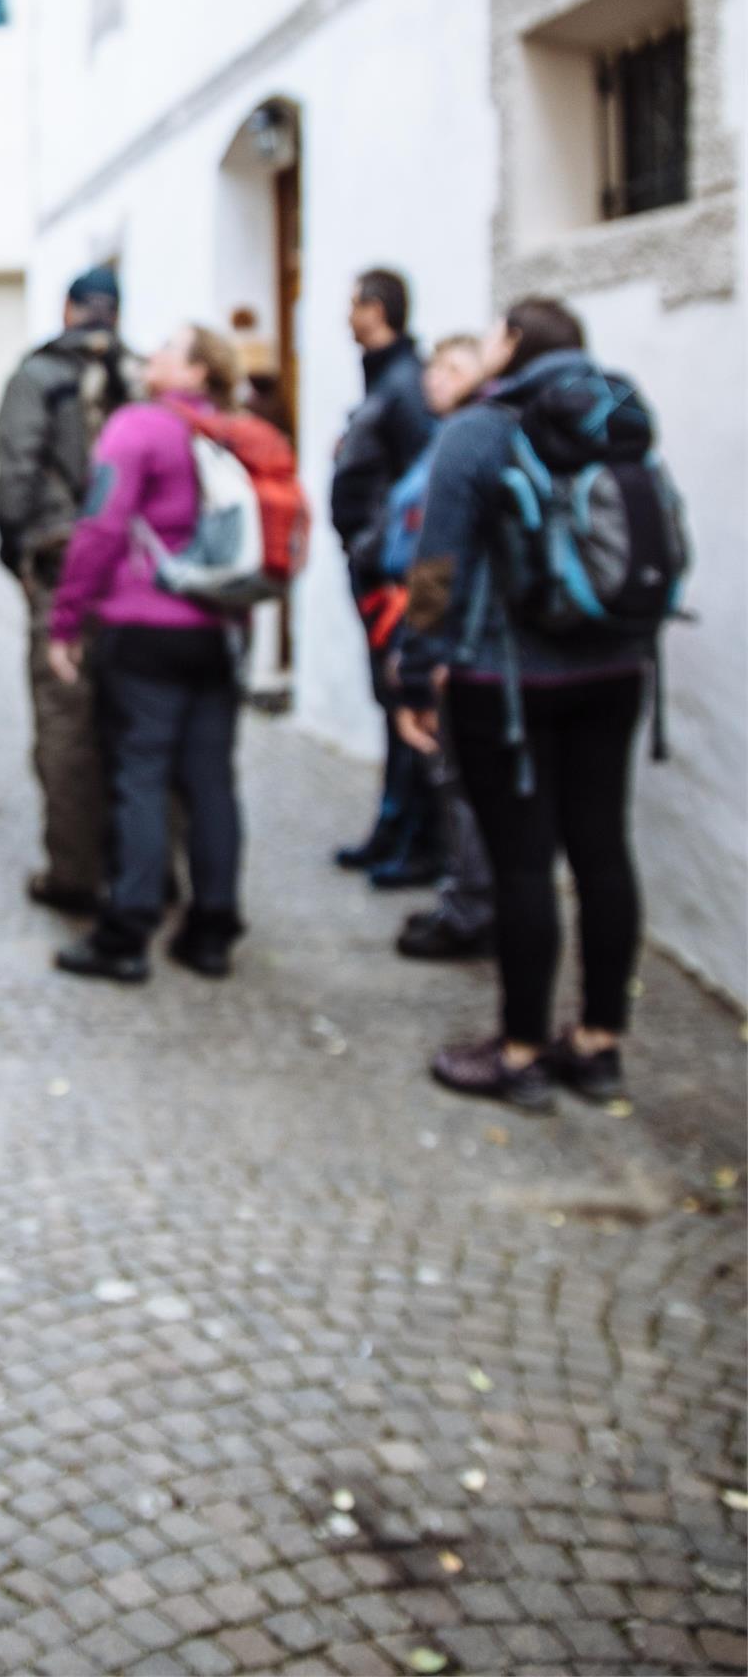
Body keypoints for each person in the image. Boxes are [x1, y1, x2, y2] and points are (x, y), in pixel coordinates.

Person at [397, 298, 658, 1111]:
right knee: (604, 849)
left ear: (510, 344)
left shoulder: (481, 429)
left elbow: (435, 566)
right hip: (616, 669)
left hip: (505, 684)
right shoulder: (623, 413)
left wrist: (416, 674)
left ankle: (517, 1052)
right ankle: (600, 1044)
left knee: (522, 865)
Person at [45, 324, 249, 985]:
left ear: (196, 372)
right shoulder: (231, 432)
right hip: (215, 631)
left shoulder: (141, 426)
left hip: (143, 627)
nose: (154, 355)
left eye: (171, 348)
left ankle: (126, 934)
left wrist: (66, 619)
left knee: (139, 777)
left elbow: (101, 524)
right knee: (211, 781)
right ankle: (212, 930)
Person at [0, 265, 131, 913]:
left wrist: (16, 551)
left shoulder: (36, 377)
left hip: (61, 563)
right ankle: (146, 870)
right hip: (135, 575)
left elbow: (16, 477)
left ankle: (75, 874)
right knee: (136, 722)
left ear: (69, 308)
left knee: (66, 721)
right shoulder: (140, 375)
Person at [382, 335, 498, 963]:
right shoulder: (445, 439)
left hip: (461, 638)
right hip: (452, 630)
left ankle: (472, 909)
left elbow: (437, 561)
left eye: (454, 368)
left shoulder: (466, 443)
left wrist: (421, 661)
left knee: (465, 784)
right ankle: (468, 897)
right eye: (435, 367)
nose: (435, 379)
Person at [328, 267, 437, 883]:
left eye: (353, 304)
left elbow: (419, 483)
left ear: (376, 308)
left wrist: (378, 545)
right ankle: (394, 828)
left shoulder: (405, 383)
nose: (346, 316)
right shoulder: (384, 382)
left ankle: (414, 840)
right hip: (374, 570)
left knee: (405, 696)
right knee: (390, 698)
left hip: (393, 578)